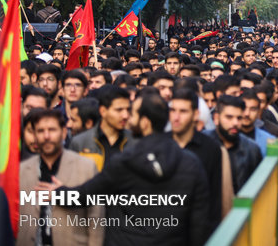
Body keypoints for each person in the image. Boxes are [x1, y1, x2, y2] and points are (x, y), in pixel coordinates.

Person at [50, 92, 213, 245]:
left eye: (132, 114)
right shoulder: (191, 163)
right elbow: (199, 222)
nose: (127, 117)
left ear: (145, 122)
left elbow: (86, 194)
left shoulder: (124, 162)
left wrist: (56, 193)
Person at [19, 109, 104, 246]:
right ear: (34, 135)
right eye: (40, 131)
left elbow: (96, 216)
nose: (46, 136)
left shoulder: (86, 167)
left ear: (64, 132)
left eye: (52, 130)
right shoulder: (22, 170)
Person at [169, 88, 224, 226]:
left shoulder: (211, 149)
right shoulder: (158, 145)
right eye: (173, 110)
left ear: (195, 115)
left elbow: (214, 197)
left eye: (183, 111)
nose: (176, 117)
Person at [69, 85, 136, 170]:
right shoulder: (80, 142)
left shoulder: (135, 141)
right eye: (119, 110)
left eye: (128, 110)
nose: (125, 115)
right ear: (103, 111)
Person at [206, 95, 262, 194]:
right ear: (216, 118)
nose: (235, 123)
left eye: (239, 118)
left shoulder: (251, 150)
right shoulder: (202, 144)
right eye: (229, 117)